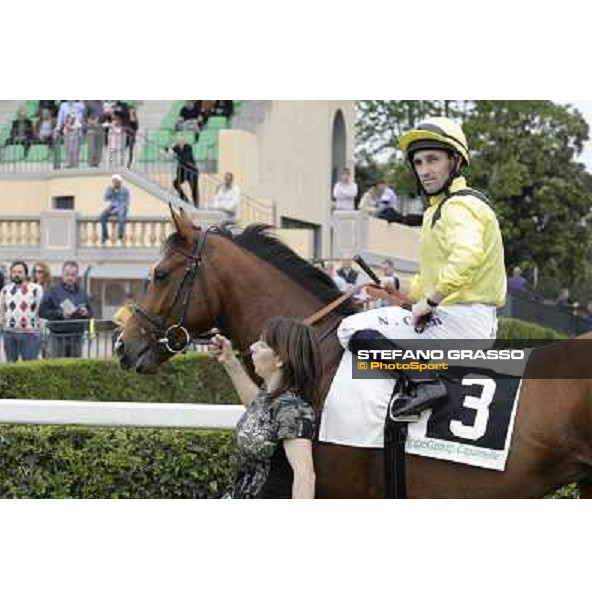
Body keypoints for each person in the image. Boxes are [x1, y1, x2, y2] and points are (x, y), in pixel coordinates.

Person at [338, 116, 506, 417]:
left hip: (461, 323)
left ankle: (425, 385)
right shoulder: (438, 209)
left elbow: (466, 258)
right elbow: (435, 278)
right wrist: (399, 286)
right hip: (460, 318)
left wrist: (429, 302)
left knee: (351, 328)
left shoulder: (458, 206)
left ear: (455, 161)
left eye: (433, 160)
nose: (425, 170)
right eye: (418, 162)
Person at [208, 317, 321, 499]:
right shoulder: (270, 400)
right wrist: (229, 360)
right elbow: (257, 407)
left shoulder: (293, 410)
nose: (252, 348)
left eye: (262, 345)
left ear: (280, 359)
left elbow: (305, 476)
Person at [39, 261, 92, 358]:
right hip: (57, 337)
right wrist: (61, 314)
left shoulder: (82, 293)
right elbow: (42, 312)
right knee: (56, 368)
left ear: (77, 276)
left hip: (77, 337)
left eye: (73, 275)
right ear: (62, 274)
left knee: (74, 368)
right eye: (67, 274)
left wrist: (86, 313)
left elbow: (91, 313)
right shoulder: (52, 291)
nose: (70, 278)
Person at [0, 261, 43, 362]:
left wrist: (40, 329)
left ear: (26, 274)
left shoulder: (36, 289)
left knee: (30, 366)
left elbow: (40, 309)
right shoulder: (5, 290)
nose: (16, 274)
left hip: (30, 333)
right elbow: (0, 311)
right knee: (11, 365)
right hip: (10, 332)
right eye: (14, 272)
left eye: (20, 272)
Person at [166, 134, 199, 207]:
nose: (180, 143)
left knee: (194, 189)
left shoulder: (188, 147)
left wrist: (175, 155)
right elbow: (169, 149)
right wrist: (166, 150)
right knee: (175, 183)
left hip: (192, 171)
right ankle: (185, 200)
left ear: (184, 141)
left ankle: (196, 205)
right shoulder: (176, 148)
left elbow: (185, 158)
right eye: (178, 141)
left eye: (181, 141)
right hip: (183, 172)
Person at [99, 174, 130, 245]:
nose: (114, 183)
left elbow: (125, 202)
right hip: (112, 207)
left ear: (120, 182)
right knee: (101, 216)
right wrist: (111, 190)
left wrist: (117, 210)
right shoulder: (110, 189)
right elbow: (105, 198)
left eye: (116, 181)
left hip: (121, 207)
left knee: (121, 216)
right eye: (113, 181)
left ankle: (120, 235)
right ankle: (105, 236)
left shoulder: (125, 190)